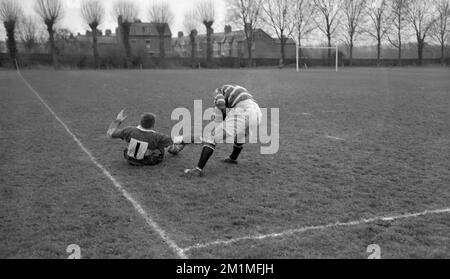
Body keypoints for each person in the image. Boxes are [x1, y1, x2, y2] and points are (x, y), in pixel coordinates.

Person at [184, 85, 262, 177]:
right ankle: (233, 158)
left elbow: (221, 103)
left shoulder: (218, 90)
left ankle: (197, 170)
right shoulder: (235, 89)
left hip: (243, 110)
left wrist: (223, 117)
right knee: (240, 135)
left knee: (211, 138)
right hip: (257, 112)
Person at [107, 109, 184, 166]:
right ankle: (175, 149)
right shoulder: (157, 136)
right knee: (164, 145)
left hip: (129, 158)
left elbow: (110, 133)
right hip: (148, 161)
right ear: (153, 125)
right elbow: (175, 140)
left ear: (141, 122)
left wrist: (118, 120)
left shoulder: (129, 130)